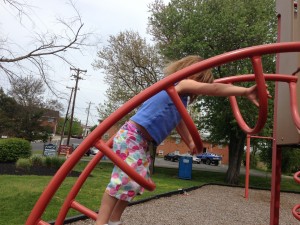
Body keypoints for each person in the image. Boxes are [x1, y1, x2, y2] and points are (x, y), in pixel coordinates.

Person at [95, 55, 267, 225]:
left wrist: (190, 142)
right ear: (193, 74)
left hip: (142, 142)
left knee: (135, 183)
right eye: (200, 81)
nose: (199, 88)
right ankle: (100, 222)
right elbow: (214, 89)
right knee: (124, 179)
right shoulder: (179, 84)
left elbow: (180, 123)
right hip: (132, 136)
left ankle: (114, 220)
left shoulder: (180, 101)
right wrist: (244, 91)